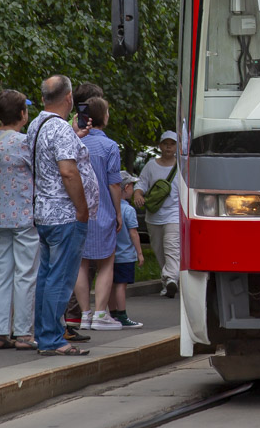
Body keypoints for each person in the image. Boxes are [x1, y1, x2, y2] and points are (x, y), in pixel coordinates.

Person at [29, 75, 91, 356]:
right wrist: (82, 208)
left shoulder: (37, 125)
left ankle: (44, 335)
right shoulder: (61, 130)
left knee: (46, 276)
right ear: (69, 98)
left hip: (43, 212)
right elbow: (68, 171)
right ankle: (54, 339)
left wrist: (74, 138)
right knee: (61, 277)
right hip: (64, 214)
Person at [0, 90, 38, 351]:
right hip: (24, 216)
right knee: (26, 273)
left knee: (1, 272)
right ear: (22, 114)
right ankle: (24, 333)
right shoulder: (23, 142)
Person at [73, 86, 125, 331]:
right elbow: (115, 184)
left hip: (78, 210)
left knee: (81, 263)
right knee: (106, 262)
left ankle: (84, 315)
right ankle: (101, 314)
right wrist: (117, 212)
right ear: (103, 117)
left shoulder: (74, 141)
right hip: (103, 210)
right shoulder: (110, 147)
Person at [136, 130, 182, 297]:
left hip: (174, 214)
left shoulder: (182, 166)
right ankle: (167, 282)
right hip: (154, 216)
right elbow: (140, 184)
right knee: (159, 250)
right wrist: (138, 194)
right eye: (165, 143)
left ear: (177, 146)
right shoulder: (150, 166)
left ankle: (171, 279)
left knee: (172, 247)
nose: (169, 146)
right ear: (160, 146)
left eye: (172, 143)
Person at [110, 172, 145, 328]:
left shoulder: (109, 207)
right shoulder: (128, 210)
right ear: (126, 187)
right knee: (121, 286)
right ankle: (122, 315)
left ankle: (111, 314)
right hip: (125, 255)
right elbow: (133, 233)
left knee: (110, 285)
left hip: (110, 254)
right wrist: (139, 253)